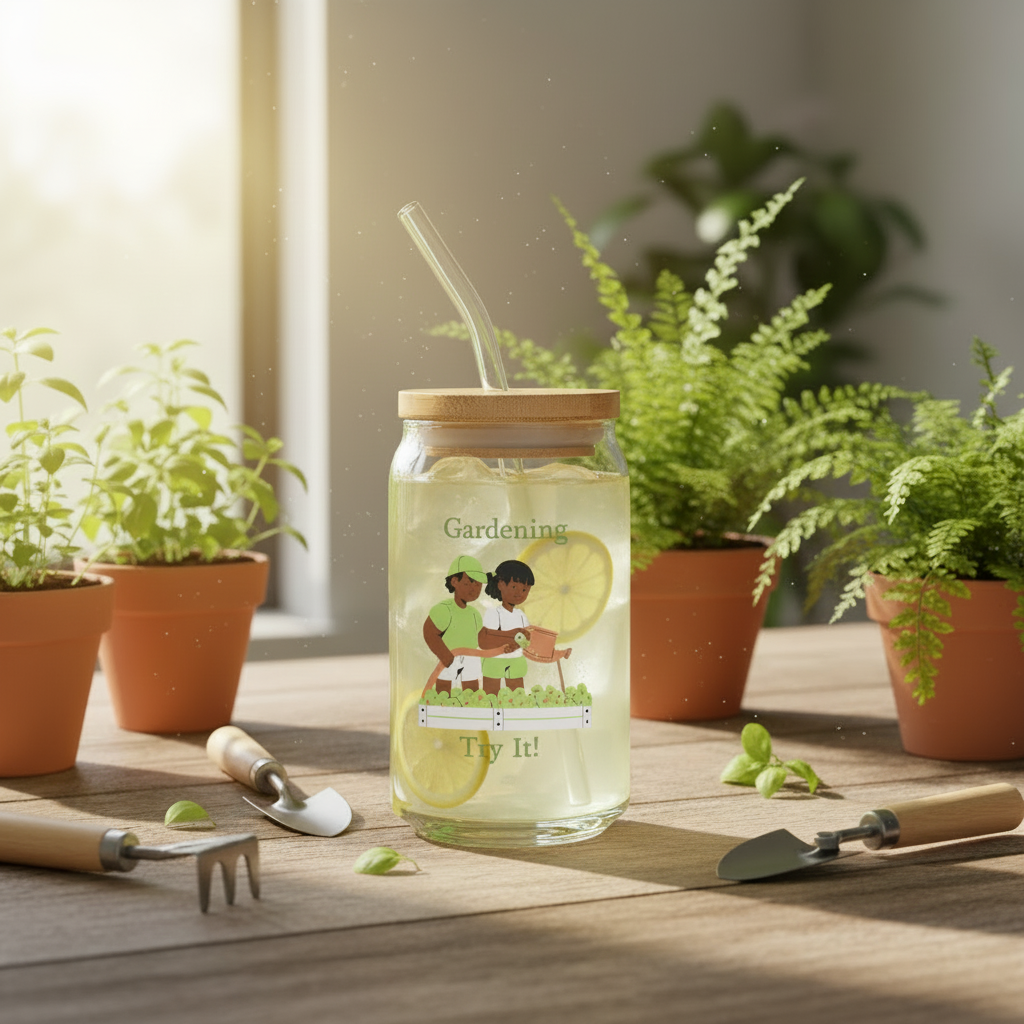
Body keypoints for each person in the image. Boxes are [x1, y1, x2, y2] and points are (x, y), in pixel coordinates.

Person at [422, 555, 488, 694]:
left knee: (472, 688)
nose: (474, 588)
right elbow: (429, 632)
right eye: (468, 583)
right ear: (454, 581)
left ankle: (471, 708)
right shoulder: (444, 609)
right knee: (445, 687)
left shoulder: (474, 614)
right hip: (450, 657)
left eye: (478, 584)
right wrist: (445, 656)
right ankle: (442, 707)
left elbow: (481, 637)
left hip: (470, 658)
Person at [478, 559, 543, 696]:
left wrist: (522, 643)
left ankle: (516, 714)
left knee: (517, 693)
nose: (520, 593)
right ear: (501, 584)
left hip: (515, 660)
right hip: (494, 660)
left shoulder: (521, 615)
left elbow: (526, 639)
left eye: (525, 589)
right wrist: (508, 639)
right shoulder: (493, 613)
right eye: (514, 587)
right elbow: (485, 639)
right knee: (491, 693)